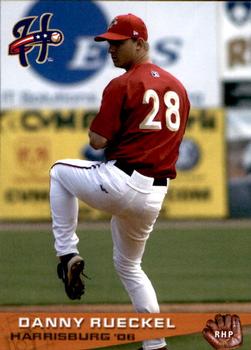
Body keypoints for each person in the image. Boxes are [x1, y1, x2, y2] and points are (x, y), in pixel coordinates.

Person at [49, 13, 190, 350]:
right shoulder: (179, 88)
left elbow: (97, 140)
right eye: (108, 43)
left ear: (139, 43)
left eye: (118, 43)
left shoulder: (122, 84)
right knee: (129, 266)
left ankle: (67, 254)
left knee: (58, 171)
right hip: (154, 195)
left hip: (121, 180)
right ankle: (155, 344)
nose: (110, 49)